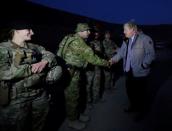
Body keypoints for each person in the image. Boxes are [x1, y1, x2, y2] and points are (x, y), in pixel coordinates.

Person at [0, 20, 62, 131]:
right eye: (28, 29)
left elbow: (50, 54)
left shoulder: (33, 46)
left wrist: (44, 62)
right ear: (16, 31)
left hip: (39, 93)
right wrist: (31, 69)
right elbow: (3, 72)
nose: (32, 32)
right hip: (16, 100)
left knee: (40, 123)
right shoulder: (3, 49)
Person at [57, 23, 109, 130]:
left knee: (76, 95)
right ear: (80, 31)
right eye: (87, 30)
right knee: (72, 97)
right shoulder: (78, 42)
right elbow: (93, 58)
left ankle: (76, 115)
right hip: (71, 73)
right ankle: (72, 121)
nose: (89, 33)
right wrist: (107, 63)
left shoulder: (69, 37)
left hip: (70, 70)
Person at [110, 21, 155, 120]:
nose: (124, 32)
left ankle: (141, 112)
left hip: (140, 73)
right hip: (128, 72)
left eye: (125, 29)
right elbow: (121, 53)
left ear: (133, 30)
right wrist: (113, 59)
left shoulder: (145, 39)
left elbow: (151, 55)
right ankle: (133, 106)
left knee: (140, 94)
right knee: (130, 91)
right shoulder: (126, 40)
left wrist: (143, 65)